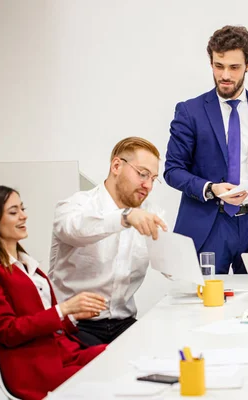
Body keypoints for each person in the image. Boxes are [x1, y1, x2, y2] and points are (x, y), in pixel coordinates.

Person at [164, 25, 248, 274]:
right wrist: (211, 189)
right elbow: (172, 170)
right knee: (204, 305)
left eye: (234, 67)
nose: (225, 75)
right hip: (208, 224)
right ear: (211, 62)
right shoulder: (190, 111)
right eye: (218, 66)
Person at [0, 186, 108, 400]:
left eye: (22, 209)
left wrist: (72, 315)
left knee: (119, 355)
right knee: (110, 377)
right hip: (35, 369)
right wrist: (64, 308)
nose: (24, 215)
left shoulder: (26, 263)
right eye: (13, 212)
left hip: (65, 353)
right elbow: (8, 331)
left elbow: (42, 318)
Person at [49, 137, 167, 345]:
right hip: (74, 325)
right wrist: (125, 217)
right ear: (116, 166)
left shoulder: (152, 212)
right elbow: (73, 230)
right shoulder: (75, 206)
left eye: (153, 179)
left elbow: (171, 266)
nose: (147, 185)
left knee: (162, 353)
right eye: (142, 174)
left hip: (123, 323)